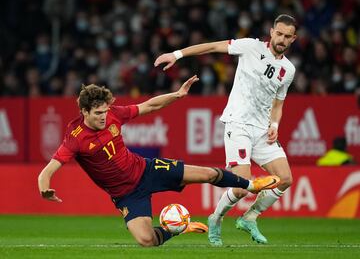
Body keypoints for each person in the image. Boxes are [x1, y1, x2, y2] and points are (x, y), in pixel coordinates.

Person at [38, 75, 280, 247]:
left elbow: (149, 105)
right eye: (98, 113)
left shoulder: (113, 114)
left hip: (146, 169)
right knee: (146, 241)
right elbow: (48, 170)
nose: (104, 116)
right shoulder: (75, 139)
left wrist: (177, 95)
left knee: (207, 174)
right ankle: (177, 228)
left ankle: (251, 185)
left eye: (105, 111)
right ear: (84, 112)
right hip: (127, 195)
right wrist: (44, 189)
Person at [154, 14, 297, 246]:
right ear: (271, 32)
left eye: (287, 36)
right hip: (238, 124)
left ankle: (250, 217)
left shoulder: (288, 70)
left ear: (293, 39)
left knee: (285, 179)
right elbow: (212, 46)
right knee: (242, 187)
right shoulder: (250, 46)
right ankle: (216, 218)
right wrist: (177, 54)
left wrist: (274, 125)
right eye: (279, 33)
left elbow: (278, 103)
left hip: (262, 130)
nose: (282, 39)